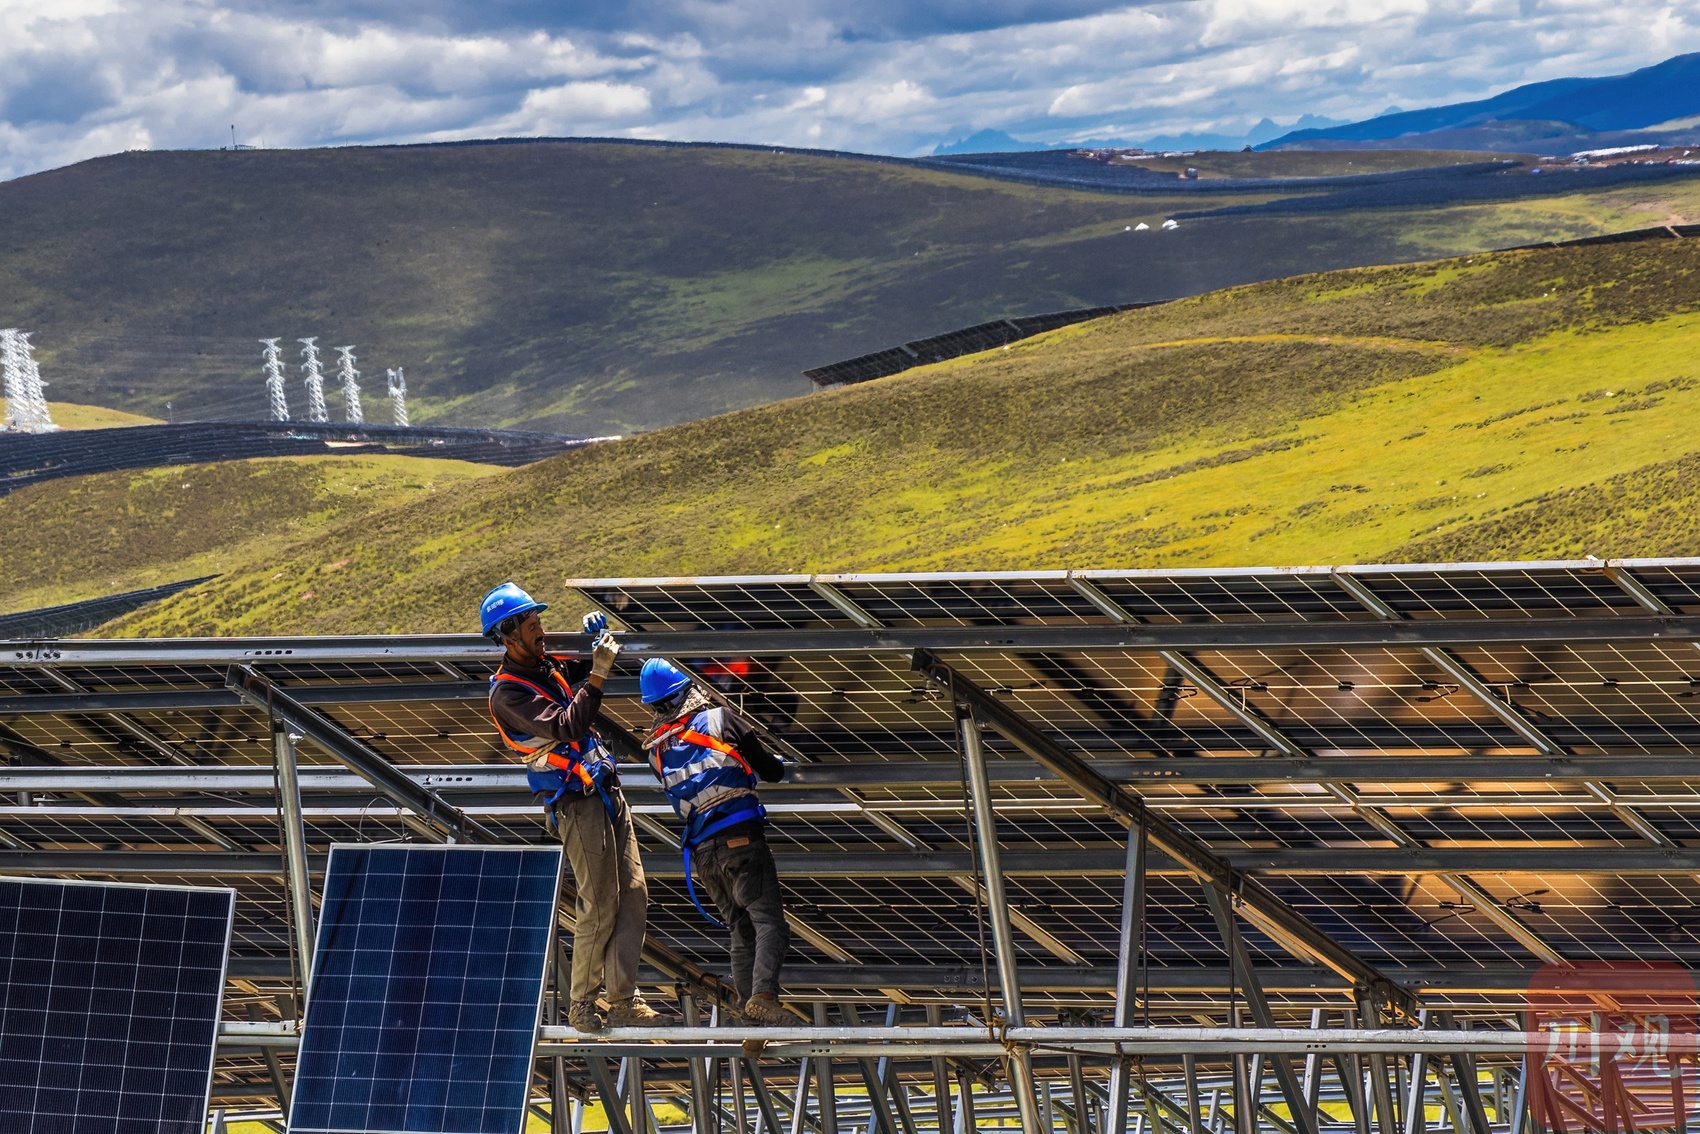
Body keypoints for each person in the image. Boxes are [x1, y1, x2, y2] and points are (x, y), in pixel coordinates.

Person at [480, 582, 659, 1032]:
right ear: (509, 635)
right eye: (532, 625)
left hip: (603, 787)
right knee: (599, 901)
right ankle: (582, 1002)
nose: (541, 631)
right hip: (575, 803)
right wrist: (598, 672)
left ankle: (622, 997)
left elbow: (580, 670)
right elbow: (568, 724)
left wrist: (591, 642)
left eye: (539, 622)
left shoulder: (546, 666)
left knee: (633, 891)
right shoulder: (508, 695)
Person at [638, 657, 791, 1026]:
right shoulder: (721, 719)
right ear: (688, 688)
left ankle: (751, 1022)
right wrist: (778, 760)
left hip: (704, 856)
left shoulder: (656, 752)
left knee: (741, 932)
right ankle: (764, 997)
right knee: (770, 924)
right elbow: (771, 771)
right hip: (741, 841)